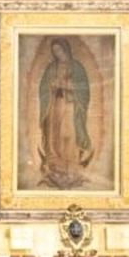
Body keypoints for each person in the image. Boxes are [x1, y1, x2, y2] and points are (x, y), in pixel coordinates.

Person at [39, 38, 92, 187]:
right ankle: (56, 164)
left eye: (59, 50)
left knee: (68, 132)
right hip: (55, 104)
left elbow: (84, 88)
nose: (57, 54)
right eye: (55, 51)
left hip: (70, 105)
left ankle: (71, 164)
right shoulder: (51, 68)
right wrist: (51, 86)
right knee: (54, 133)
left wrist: (68, 85)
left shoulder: (77, 67)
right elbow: (43, 87)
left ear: (66, 49)